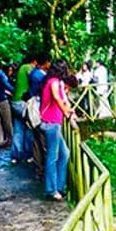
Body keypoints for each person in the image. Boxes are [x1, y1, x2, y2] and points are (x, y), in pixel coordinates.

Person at [40, 60, 75, 200]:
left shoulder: (53, 81)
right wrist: (66, 112)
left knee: (65, 153)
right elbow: (57, 98)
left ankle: (59, 187)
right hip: (51, 122)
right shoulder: (53, 82)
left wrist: (68, 110)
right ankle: (51, 190)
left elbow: (63, 99)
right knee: (52, 157)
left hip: (55, 122)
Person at [11, 54, 37, 164]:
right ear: (34, 61)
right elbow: (35, 78)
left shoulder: (21, 68)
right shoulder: (28, 68)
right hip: (22, 102)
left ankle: (15, 156)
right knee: (30, 127)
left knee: (18, 129)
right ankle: (28, 155)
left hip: (15, 101)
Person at [28, 54, 50, 175]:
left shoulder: (32, 73)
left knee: (36, 140)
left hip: (33, 108)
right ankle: (46, 169)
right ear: (45, 63)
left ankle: (38, 167)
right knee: (43, 140)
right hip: (39, 108)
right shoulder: (41, 76)